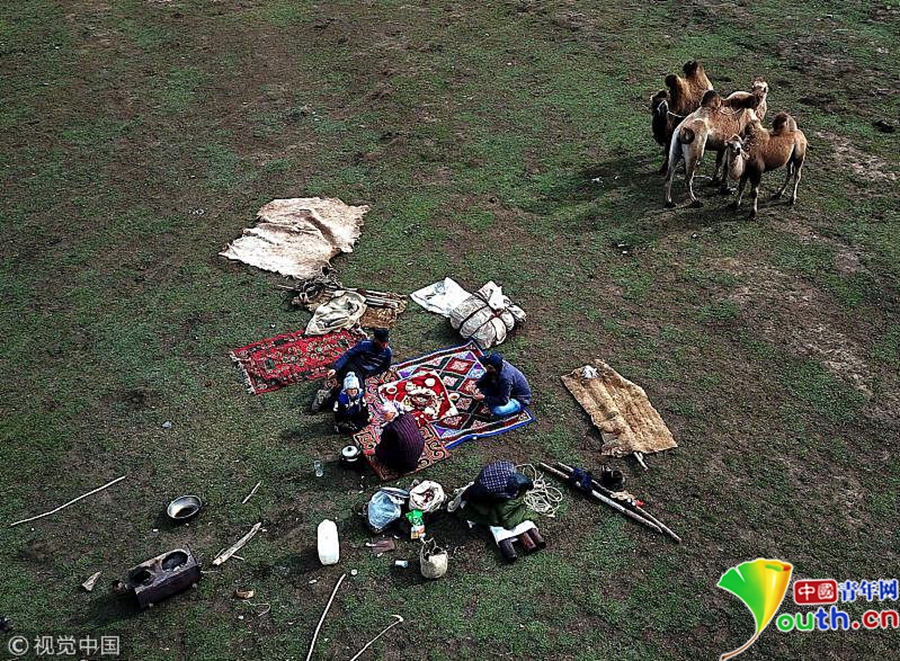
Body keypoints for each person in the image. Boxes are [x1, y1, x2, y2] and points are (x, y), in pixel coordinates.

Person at [327, 328, 392, 389]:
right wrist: (335, 368)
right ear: (375, 340)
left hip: (365, 372)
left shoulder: (388, 352)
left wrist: (371, 373)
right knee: (348, 385)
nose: (385, 346)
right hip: (354, 367)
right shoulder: (365, 345)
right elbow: (348, 354)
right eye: (382, 343)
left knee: (358, 390)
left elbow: (385, 367)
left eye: (386, 343)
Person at [473, 352, 532, 417]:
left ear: (490, 367)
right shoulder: (499, 365)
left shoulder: (505, 379)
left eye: (485, 366)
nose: (484, 366)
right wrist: (476, 384)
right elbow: (488, 374)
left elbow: (503, 400)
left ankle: (516, 408)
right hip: (506, 390)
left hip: (519, 399)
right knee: (482, 390)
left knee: (497, 410)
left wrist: (484, 398)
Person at [373, 403, 425, 473]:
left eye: (385, 414)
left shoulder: (390, 429)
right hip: (419, 450)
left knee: (379, 451)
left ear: (393, 412)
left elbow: (384, 445)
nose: (383, 416)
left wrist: (377, 450)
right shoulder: (408, 415)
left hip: (404, 462)